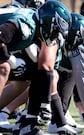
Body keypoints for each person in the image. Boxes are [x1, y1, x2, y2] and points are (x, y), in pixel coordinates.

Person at [0, 0, 74, 134]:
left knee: (34, 72)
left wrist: (45, 104)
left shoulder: (34, 26)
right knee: (4, 68)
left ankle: (28, 124)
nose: (54, 36)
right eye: (55, 31)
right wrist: (11, 60)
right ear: (49, 23)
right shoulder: (26, 25)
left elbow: (43, 69)